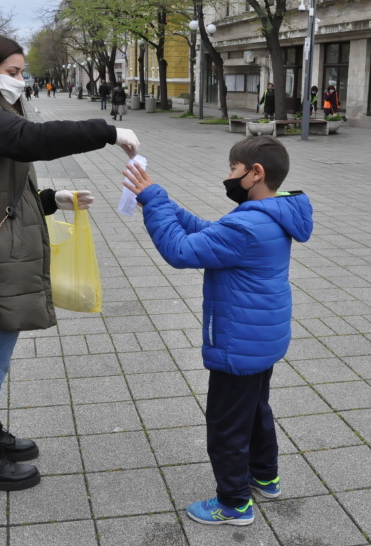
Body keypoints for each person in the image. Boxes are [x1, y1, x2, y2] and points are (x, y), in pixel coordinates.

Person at [0, 33, 141, 493]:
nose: (21, 81)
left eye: (23, 72)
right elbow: (31, 140)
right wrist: (108, 131)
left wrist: (51, 199)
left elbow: (0, 190)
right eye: (14, 72)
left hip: (5, 249)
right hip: (0, 257)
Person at [122, 136, 313, 526]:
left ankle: (234, 504)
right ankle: (265, 477)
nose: (228, 176)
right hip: (261, 338)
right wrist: (162, 201)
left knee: (226, 423)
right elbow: (210, 233)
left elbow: (181, 251)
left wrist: (155, 201)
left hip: (237, 342)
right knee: (256, 409)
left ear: (255, 173)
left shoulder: (246, 226)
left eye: (233, 169)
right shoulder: (271, 214)